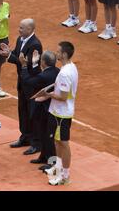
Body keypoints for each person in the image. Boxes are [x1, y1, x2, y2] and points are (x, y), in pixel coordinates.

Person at [0, 18, 42, 154]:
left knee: (32, 112)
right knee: (22, 110)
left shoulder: (35, 45)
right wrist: (9, 53)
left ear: (29, 29)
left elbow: (27, 64)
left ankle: (36, 143)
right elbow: (18, 56)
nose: (19, 29)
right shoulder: (20, 39)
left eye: (22, 28)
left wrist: (10, 55)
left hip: (32, 83)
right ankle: (25, 137)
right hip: (22, 81)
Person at [44, 41, 78, 186]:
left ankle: (65, 176)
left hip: (61, 114)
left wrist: (47, 95)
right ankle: (58, 168)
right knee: (57, 142)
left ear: (64, 54)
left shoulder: (64, 73)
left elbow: (63, 97)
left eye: (58, 52)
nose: (56, 53)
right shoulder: (71, 67)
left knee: (63, 144)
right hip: (59, 112)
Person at [23, 50, 59, 171]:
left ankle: (52, 163)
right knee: (44, 134)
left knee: (48, 137)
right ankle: (44, 157)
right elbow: (39, 77)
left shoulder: (45, 75)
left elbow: (29, 81)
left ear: (43, 62)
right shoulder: (56, 71)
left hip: (46, 110)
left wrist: (24, 66)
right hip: (49, 108)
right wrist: (34, 65)